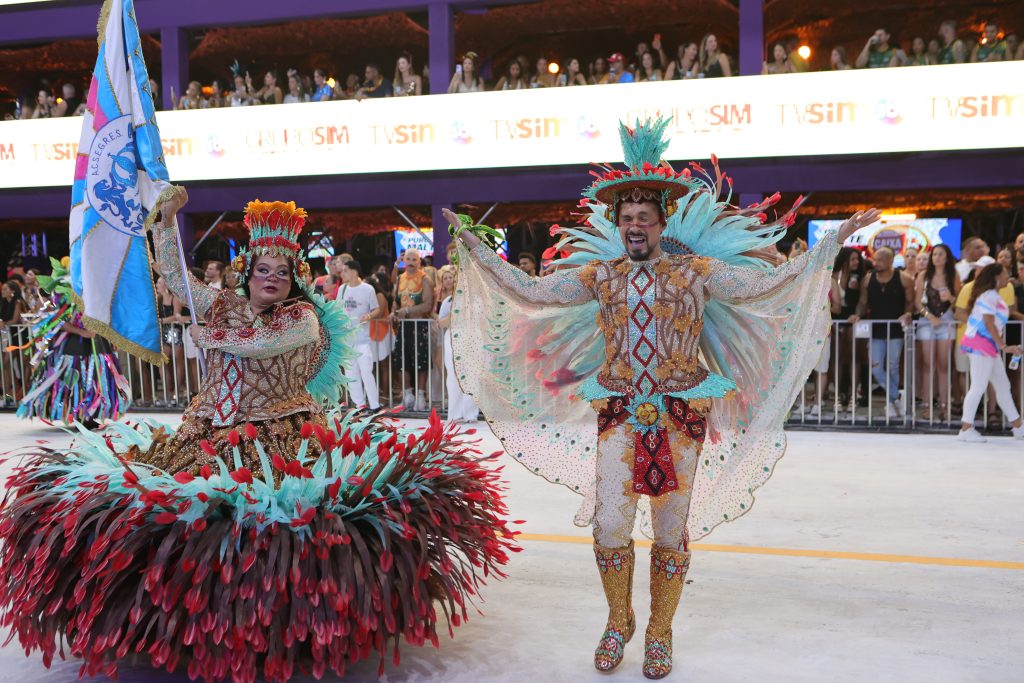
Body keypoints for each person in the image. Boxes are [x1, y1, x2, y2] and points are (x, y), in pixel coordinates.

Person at [0, 188, 515, 681]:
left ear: (295, 279)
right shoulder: (221, 302)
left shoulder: (301, 316)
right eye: (263, 269)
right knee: (186, 527)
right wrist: (163, 221)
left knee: (266, 535)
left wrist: (209, 335)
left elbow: (261, 344)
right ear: (247, 271)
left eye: (283, 271)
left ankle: (273, 626)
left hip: (279, 439)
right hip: (206, 433)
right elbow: (177, 280)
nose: (272, 278)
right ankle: (188, 623)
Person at [447, 116, 875, 678]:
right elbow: (531, 290)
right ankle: (618, 619)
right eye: (626, 219)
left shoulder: (696, 272)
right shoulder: (599, 276)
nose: (635, 227)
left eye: (644, 217)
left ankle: (659, 631)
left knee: (670, 530)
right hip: (619, 412)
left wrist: (830, 243)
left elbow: (763, 285)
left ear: (660, 220)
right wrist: (474, 249)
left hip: (679, 415)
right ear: (617, 224)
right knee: (609, 526)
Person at [16, 258, 131, 425]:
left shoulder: (96, 294)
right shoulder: (64, 295)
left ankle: (89, 415)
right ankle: (77, 413)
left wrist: (106, 335)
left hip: (96, 346)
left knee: (95, 380)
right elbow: (58, 320)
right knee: (76, 379)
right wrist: (82, 332)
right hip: (74, 346)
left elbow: (106, 317)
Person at [957, 263, 1024, 441]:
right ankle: (966, 428)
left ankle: (1018, 426)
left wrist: (1000, 346)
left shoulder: (993, 296)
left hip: (988, 346)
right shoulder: (989, 296)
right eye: (1004, 274)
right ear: (996, 277)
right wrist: (1003, 346)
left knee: (1002, 385)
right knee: (978, 386)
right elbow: (988, 323)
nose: (1007, 277)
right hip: (981, 344)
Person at [849, 247, 915, 419]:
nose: (876, 263)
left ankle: (891, 403)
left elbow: (910, 303)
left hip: (896, 330)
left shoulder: (904, 279)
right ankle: (897, 396)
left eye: (880, 260)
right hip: (876, 330)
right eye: (875, 259)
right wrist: (857, 314)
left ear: (890, 261)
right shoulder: (868, 279)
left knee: (893, 367)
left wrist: (908, 313)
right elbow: (863, 302)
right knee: (876, 368)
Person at [915, 245, 961, 421]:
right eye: (934, 254)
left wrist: (950, 297)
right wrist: (929, 316)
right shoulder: (923, 276)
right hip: (927, 321)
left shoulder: (953, 276)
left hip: (947, 320)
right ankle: (927, 405)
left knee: (944, 365)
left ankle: (944, 405)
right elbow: (918, 303)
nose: (937, 257)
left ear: (947, 257)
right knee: (927, 364)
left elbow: (959, 302)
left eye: (941, 254)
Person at [392, 248, 434, 411]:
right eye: (408, 259)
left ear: (419, 262)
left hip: (420, 325)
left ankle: (421, 395)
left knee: (421, 361)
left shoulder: (425, 279)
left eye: (414, 260)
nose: (410, 262)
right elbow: (396, 301)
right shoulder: (400, 278)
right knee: (402, 360)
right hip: (404, 326)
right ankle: (408, 394)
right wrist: (392, 312)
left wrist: (408, 311)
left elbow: (428, 305)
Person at [436, 268, 478, 424]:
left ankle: (470, 414)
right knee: (453, 376)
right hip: (452, 338)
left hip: (471, 337)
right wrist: (454, 313)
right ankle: (454, 414)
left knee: (471, 375)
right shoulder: (448, 301)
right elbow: (441, 323)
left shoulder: (476, 300)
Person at [338, 259, 381, 410]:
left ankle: (374, 404)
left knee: (366, 371)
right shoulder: (342, 289)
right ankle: (359, 404)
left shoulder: (368, 289)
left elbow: (377, 308)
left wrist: (369, 316)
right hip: (347, 339)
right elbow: (338, 309)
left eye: (345, 270)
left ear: (354, 272)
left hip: (363, 338)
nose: (342, 273)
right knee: (352, 373)